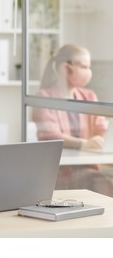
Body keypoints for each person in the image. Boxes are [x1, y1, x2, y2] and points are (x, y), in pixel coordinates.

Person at [32, 44, 113, 195]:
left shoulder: (89, 96)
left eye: (89, 67)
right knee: (104, 184)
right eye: (84, 67)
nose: (89, 72)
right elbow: (50, 135)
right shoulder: (44, 97)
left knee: (105, 181)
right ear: (66, 68)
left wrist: (100, 139)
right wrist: (84, 144)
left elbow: (102, 128)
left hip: (87, 168)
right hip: (60, 172)